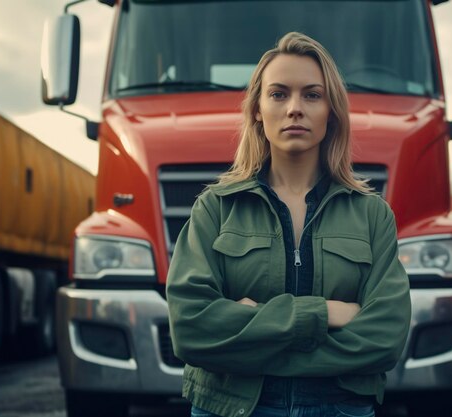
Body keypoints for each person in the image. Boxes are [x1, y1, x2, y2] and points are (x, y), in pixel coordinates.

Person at [166, 32, 411, 417]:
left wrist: (250, 325)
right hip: (231, 407)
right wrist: (324, 313)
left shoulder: (372, 215)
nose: (295, 108)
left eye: (312, 95)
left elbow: (386, 338)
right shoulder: (214, 209)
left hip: (338, 408)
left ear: (331, 111)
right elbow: (191, 328)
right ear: (258, 110)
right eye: (279, 94)